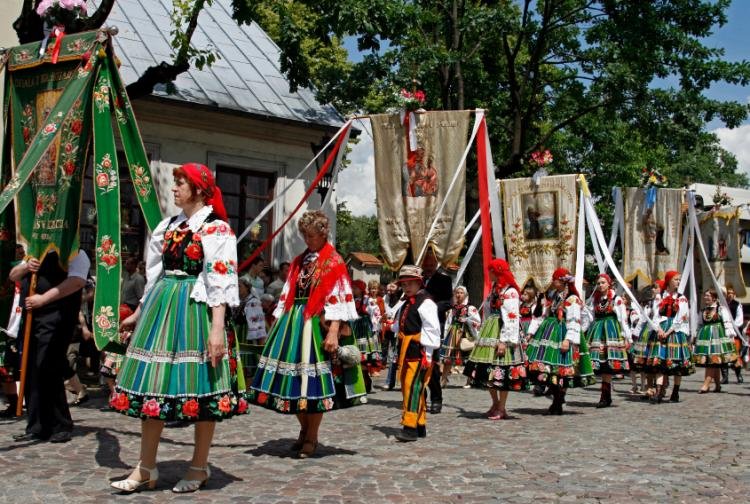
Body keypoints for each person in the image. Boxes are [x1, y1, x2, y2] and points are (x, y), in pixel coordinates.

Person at [109, 163, 246, 493]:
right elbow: (155, 274)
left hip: (196, 312)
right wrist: (139, 312)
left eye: (180, 183)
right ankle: (146, 468)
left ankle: (199, 467)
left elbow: (220, 281)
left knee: (201, 385)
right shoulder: (167, 226)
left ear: (199, 189)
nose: (174, 189)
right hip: (162, 308)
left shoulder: (216, 229)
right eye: (175, 183)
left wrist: (216, 330)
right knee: (153, 387)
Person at [247, 210, 366, 458]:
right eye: (304, 235)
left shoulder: (334, 262)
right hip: (294, 322)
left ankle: (312, 437)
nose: (307, 240)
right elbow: (288, 291)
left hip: (316, 324)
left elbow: (340, 299)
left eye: (311, 235)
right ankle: (304, 431)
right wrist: (278, 323)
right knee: (293, 383)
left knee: (312, 384)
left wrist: (333, 331)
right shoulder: (300, 261)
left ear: (323, 234)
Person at [9, 249, 89, 443]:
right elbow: (13, 276)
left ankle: (60, 423)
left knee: (48, 365)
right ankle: (37, 425)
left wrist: (43, 299)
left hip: (56, 315)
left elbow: (76, 282)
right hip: (31, 316)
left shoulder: (75, 252)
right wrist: (27, 266)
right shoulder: (36, 249)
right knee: (30, 369)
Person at [526, 267, 595, 415]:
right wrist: (531, 332)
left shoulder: (572, 299)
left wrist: (568, 340)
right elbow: (543, 315)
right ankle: (556, 398)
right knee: (551, 368)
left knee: (563, 369)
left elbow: (574, 320)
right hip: (550, 333)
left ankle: (558, 400)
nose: (553, 281)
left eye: (556, 279)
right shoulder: (555, 296)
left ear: (563, 281)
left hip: (564, 334)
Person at [464, 259, 527, 419]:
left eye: (490, 270)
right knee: (487, 369)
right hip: (490, 331)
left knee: (502, 370)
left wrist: (504, 341)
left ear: (497, 272)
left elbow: (512, 318)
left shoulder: (510, 292)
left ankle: (502, 406)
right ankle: (495, 403)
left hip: (502, 331)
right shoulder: (495, 289)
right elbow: (487, 309)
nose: (488, 273)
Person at [391, 265, 440, 441]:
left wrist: (427, 355)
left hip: (420, 352)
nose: (407, 287)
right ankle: (420, 425)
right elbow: (400, 325)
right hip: (407, 351)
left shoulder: (426, 302)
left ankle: (409, 427)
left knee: (413, 388)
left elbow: (432, 329)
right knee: (408, 387)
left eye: (411, 283)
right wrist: (390, 324)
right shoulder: (406, 302)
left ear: (419, 283)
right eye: (404, 285)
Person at [644, 270, 694, 403]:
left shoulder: (682, 298)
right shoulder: (660, 296)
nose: (678, 282)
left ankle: (675, 392)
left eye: (679, 279)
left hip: (675, 332)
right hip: (661, 329)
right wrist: (659, 329)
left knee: (676, 365)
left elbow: (681, 318)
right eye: (676, 279)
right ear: (669, 281)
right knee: (660, 361)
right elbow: (655, 315)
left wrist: (668, 331)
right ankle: (659, 391)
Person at [585, 273, 631, 408]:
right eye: (598, 283)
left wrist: (627, 337)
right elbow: (591, 317)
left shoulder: (616, 299)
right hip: (597, 332)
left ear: (609, 283)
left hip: (611, 332)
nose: (600, 285)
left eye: (603, 282)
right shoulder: (596, 299)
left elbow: (623, 320)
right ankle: (606, 396)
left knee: (607, 365)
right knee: (602, 365)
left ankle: (605, 397)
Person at [421, 247, 452, 414]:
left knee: (431, 364)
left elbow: (448, 302)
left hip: (433, 327)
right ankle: (420, 398)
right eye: (426, 263)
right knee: (417, 364)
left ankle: (436, 398)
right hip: (416, 326)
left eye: (431, 263)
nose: (428, 266)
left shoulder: (444, 280)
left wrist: (430, 308)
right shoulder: (416, 279)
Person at [694, 288, 737, 393]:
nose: (705, 297)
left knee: (712, 361)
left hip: (717, 336)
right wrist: (695, 337)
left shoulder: (721, 309)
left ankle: (706, 384)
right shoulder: (703, 310)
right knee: (714, 361)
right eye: (705, 295)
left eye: (708, 296)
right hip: (705, 336)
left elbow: (727, 323)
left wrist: (731, 337)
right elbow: (699, 324)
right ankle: (717, 386)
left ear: (714, 297)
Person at [441, 286, 480, 387]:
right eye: (457, 293)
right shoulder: (453, 307)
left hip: (465, 333)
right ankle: (444, 379)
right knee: (447, 358)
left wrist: (467, 320)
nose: (459, 295)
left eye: (461, 293)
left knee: (469, 358)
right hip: (453, 333)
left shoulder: (470, 308)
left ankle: (469, 381)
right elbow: (449, 321)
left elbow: (477, 321)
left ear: (466, 294)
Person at [631, 280, 662, 399]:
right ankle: (649, 388)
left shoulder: (660, 302)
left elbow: (658, 318)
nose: (653, 290)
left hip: (655, 333)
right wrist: (635, 334)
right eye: (653, 288)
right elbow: (643, 319)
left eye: (656, 287)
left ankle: (658, 388)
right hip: (646, 334)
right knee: (647, 363)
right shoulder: (649, 304)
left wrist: (657, 328)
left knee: (656, 362)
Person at [351, 279, 382, 393]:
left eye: (356, 288)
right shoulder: (352, 300)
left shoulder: (367, 299)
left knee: (365, 356)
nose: (354, 290)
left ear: (361, 289)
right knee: (358, 355)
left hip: (364, 327)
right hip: (355, 325)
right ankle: (362, 380)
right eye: (353, 288)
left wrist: (374, 324)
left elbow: (375, 311)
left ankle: (366, 381)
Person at [381, 282, 403, 391]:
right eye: (388, 286)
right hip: (385, 329)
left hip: (397, 330)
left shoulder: (402, 300)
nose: (390, 288)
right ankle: (390, 381)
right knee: (387, 354)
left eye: (393, 286)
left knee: (394, 355)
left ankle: (390, 381)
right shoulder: (385, 299)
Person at [722, 284, 744, 384]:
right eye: (728, 293)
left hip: (733, 333)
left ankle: (739, 376)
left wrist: (732, 328)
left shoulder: (737, 304)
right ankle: (725, 377)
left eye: (731, 293)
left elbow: (740, 320)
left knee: (734, 355)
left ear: (734, 294)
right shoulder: (722, 304)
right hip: (723, 333)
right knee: (723, 356)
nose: (730, 295)